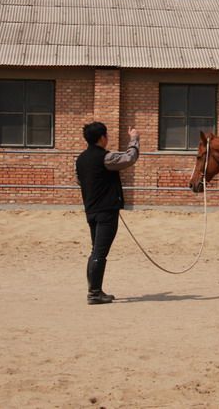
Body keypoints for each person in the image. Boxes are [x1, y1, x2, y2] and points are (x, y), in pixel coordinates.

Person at [75, 122, 140, 305]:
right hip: (106, 212)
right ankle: (94, 293)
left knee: (95, 249)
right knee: (100, 252)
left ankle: (95, 290)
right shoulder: (106, 157)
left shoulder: (80, 159)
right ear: (102, 137)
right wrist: (134, 139)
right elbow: (129, 158)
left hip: (91, 210)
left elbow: (80, 181)